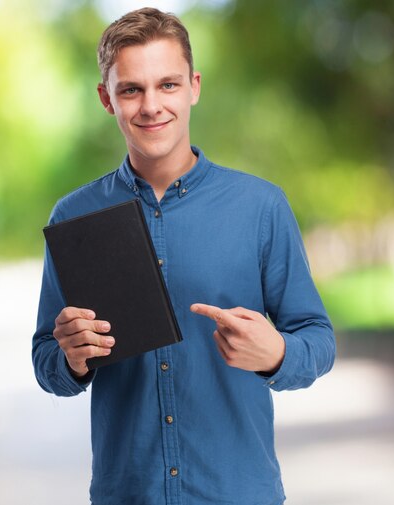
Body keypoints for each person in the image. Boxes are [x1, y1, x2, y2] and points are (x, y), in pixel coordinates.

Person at [32, 7, 335, 505]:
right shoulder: (74, 216)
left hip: (239, 493)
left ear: (193, 86)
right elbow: (46, 360)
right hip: (128, 494)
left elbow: (318, 339)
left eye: (167, 85)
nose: (152, 105)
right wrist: (70, 359)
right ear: (107, 99)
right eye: (132, 89)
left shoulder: (260, 207)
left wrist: (277, 354)